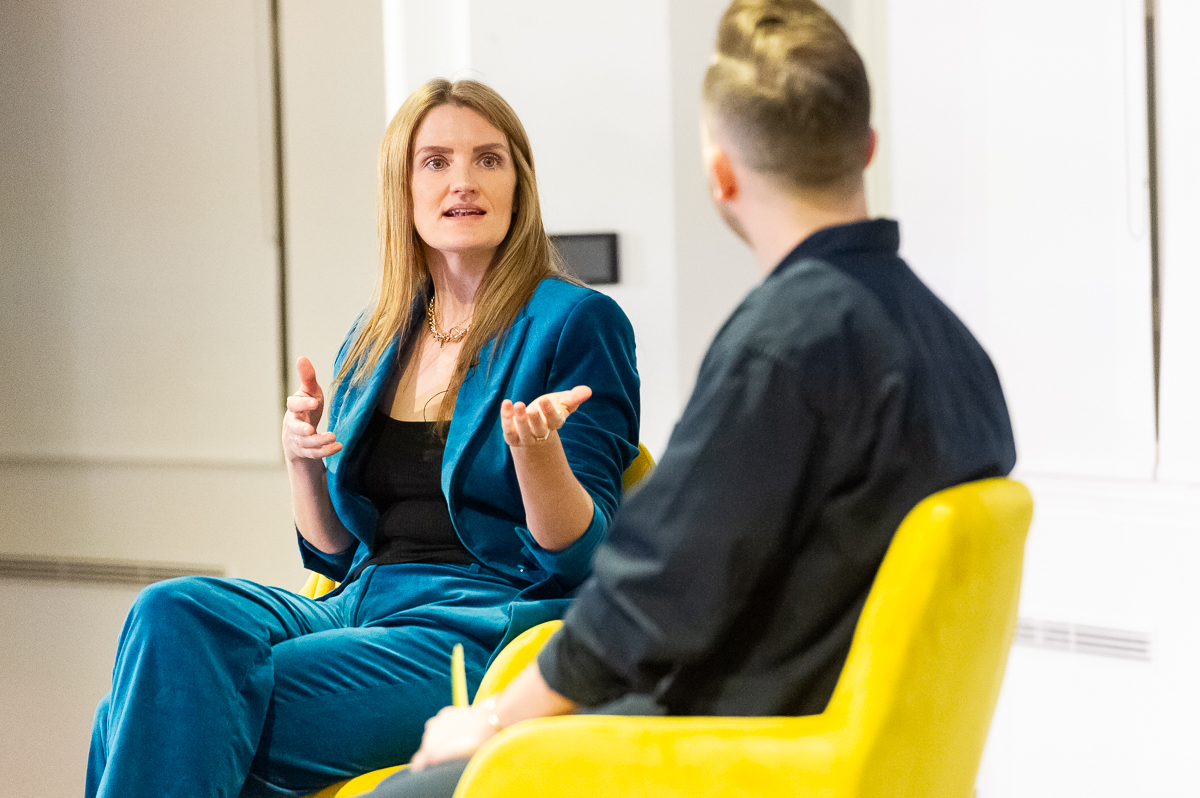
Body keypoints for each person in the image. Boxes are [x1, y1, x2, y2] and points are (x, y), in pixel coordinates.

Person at [362, 1, 1017, 795]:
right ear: (866, 149)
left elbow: (651, 595)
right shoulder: (946, 340)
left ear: (721, 173)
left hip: (737, 740)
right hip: (837, 734)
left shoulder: (785, 346)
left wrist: (492, 720)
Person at [84, 79, 640, 798]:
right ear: (401, 189)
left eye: (489, 160)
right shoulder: (377, 332)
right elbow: (337, 552)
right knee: (170, 611)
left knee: (138, 717)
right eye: (435, 162)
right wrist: (301, 462)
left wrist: (538, 458)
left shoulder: (575, 321)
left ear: (518, 184)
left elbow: (582, 561)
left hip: (475, 625)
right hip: (359, 601)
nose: (463, 182)